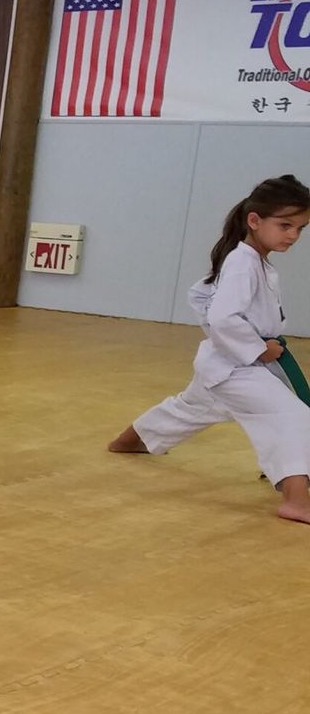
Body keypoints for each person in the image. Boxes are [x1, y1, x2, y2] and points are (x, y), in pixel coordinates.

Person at [109, 175, 310, 524]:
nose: (293, 235)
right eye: (285, 225)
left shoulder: (250, 259)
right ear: (255, 220)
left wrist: (242, 343)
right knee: (292, 416)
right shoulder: (242, 262)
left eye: (301, 228)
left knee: (189, 408)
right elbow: (221, 315)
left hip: (225, 363)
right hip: (237, 367)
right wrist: (255, 347)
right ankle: (296, 501)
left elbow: (201, 294)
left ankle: (127, 442)